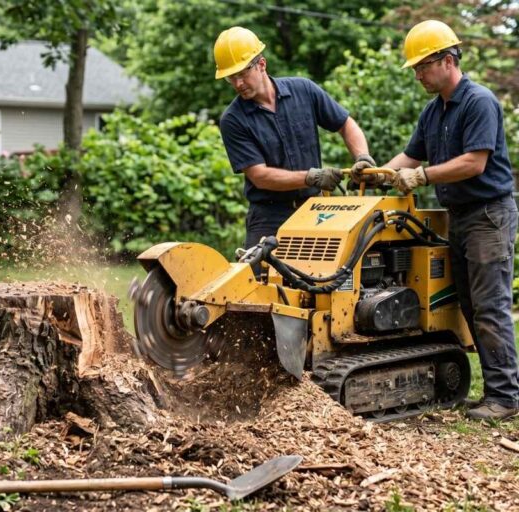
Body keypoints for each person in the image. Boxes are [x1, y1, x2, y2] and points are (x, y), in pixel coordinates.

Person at [356, 20, 519, 420]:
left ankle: (506, 397)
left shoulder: (479, 102)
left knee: (489, 304)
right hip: (459, 217)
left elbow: (474, 163)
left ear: (448, 61)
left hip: (488, 216)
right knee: (466, 302)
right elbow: (409, 159)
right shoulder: (433, 112)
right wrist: (377, 181)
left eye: (422, 66)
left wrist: (424, 176)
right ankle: (495, 391)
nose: (417, 74)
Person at [214, 26, 374, 254]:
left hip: (315, 211)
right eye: (231, 77)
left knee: (324, 279)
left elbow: (345, 124)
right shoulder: (233, 120)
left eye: (242, 74)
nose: (238, 83)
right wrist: (312, 177)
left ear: (262, 64)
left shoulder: (303, 90)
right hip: (269, 218)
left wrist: (363, 157)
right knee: (259, 284)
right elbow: (260, 176)